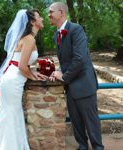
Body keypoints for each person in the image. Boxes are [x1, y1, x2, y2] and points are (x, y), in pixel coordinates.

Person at [0, 9, 47, 150]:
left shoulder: (27, 38)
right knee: (11, 113)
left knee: (9, 113)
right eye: (39, 17)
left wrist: (31, 72)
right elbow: (21, 66)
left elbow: (22, 63)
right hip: (14, 79)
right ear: (32, 21)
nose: (42, 19)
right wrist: (33, 75)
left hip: (12, 78)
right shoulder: (29, 39)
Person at [48, 2, 104, 150]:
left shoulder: (76, 29)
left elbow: (80, 58)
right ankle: (82, 146)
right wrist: (57, 72)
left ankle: (98, 147)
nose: (49, 15)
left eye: (51, 12)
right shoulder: (56, 35)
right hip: (71, 87)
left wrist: (64, 77)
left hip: (84, 84)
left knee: (91, 122)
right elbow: (64, 61)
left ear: (61, 12)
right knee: (76, 121)